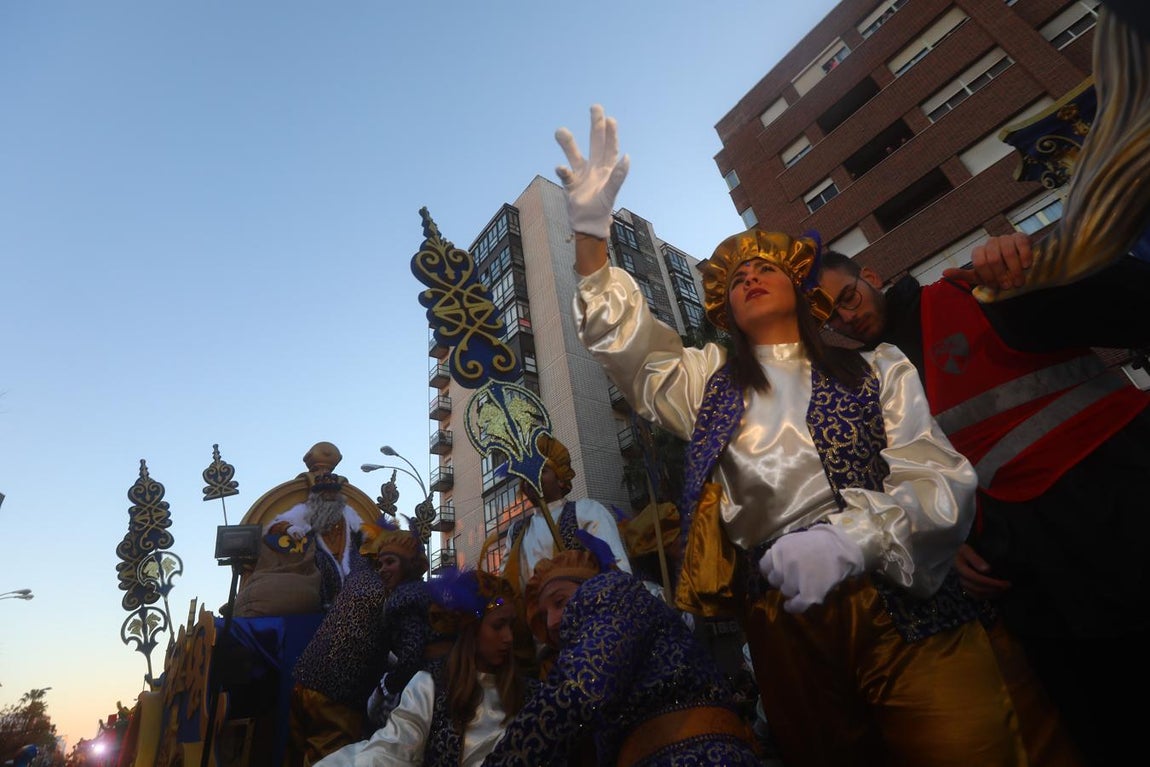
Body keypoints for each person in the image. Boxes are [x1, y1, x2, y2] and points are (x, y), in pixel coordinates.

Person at [554, 104, 1026, 766]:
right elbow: (628, 347)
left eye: (765, 268)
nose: (748, 275)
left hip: (904, 604)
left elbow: (941, 482)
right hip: (781, 622)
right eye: (736, 276)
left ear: (802, 294)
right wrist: (590, 235)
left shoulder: (877, 366)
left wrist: (851, 540)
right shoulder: (708, 383)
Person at [818, 242, 1149, 765]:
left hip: (1120, 510)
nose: (847, 317)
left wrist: (1039, 264)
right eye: (831, 315)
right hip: (1032, 577)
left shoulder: (973, 290)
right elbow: (919, 481)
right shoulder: (867, 385)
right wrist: (946, 542)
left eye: (849, 297)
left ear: (871, 275)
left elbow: (1132, 304)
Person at [482, 532, 762, 766]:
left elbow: (579, 691)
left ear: (588, 584)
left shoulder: (610, 590)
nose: (552, 621)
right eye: (542, 617)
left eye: (559, 601)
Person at [314, 568, 528, 767]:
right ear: (471, 629)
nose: (509, 638)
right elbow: (393, 749)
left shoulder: (528, 690)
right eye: (498, 626)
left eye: (511, 626)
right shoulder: (431, 686)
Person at [285, 517, 429, 767]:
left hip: (303, 682)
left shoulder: (357, 578)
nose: (384, 568)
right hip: (337, 696)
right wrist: (388, 686)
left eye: (390, 562)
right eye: (382, 562)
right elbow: (409, 654)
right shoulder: (397, 595)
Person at [268, 471, 373, 607]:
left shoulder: (347, 512)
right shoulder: (305, 511)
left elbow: (363, 531)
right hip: (319, 558)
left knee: (362, 566)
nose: (330, 495)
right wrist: (289, 528)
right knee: (321, 565)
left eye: (333, 492)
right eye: (325, 492)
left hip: (348, 558)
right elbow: (276, 524)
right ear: (317, 495)